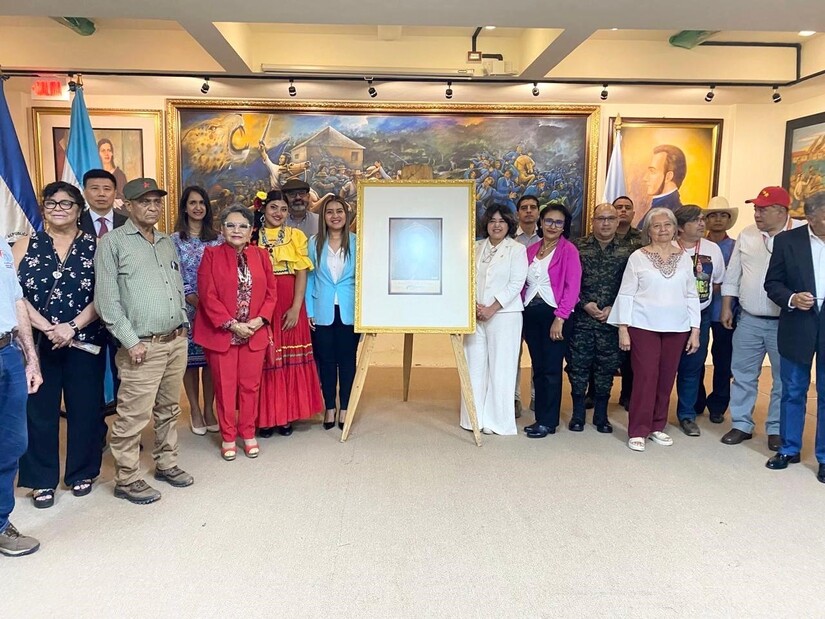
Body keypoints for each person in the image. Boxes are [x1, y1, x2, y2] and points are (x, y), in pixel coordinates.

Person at [94, 178, 194, 505]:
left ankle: (166, 463)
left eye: (156, 201)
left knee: (169, 409)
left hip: (175, 341)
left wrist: (183, 322)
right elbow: (106, 302)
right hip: (141, 346)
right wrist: (130, 341)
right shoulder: (112, 243)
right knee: (133, 415)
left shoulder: (165, 241)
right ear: (128, 205)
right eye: (144, 202)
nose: (152, 207)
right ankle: (126, 478)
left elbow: (175, 284)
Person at [12, 181, 106, 508]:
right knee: (38, 410)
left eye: (66, 203)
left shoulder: (97, 246)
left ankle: (82, 471)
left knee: (86, 407)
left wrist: (72, 326)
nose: (58, 209)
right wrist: (47, 327)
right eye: (51, 203)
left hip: (85, 340)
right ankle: (41, 479)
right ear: (43, 209)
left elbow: (105, 294)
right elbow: (14, 294)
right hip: (38, 341)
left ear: (79, 210)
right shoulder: (24, 244)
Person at [608, 208, 700, 452]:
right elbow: (626, 294)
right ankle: (638, 429)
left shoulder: (684, 258)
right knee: (646, 377)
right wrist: (623, 328)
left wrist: (695, 330)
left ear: (675, 228)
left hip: (677, 327)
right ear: (648, 231)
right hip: (643, 326)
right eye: (656, 225)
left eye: (667, 225)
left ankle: (657, 425)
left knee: (666, 377)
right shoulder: (638, 257)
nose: (662, 229)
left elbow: (691, 295)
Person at [720, 186, 803, 450]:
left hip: (786, 322)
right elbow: (733, 274)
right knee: (742, 374)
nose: (757, 214)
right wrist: (726, 306)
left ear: (781, 211)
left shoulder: (801, 235)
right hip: (749, 319)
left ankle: (776, 428)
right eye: (755, 209)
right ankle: (741, 424)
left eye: (763, 209)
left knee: (783, 378)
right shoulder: (747, 234)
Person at [194, 205, 276, 460]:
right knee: (225, 387)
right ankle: (228, 437)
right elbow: (207, 295)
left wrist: (260, 320)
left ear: (251, 230)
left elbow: (271, 292)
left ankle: (248, 433)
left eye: (242, 226)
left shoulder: (261, 255)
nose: (236, 230)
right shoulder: (211, 255)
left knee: (250, 386)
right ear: (222, 229)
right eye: (231, 225)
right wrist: (232, 324)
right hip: (223, 333)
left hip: (254, 332)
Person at [764, 190, 825, 484]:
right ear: (810, 216)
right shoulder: (787, 241)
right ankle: (788, 449)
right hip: (798, 325)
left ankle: (824, 457)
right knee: (793, 390)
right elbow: (772, 283)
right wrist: (791, 298)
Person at [256, 190, 323, 436]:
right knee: (265, 357)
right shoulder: (252, 236)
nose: (279, 213)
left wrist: (296, 307)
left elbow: (302, 273)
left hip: (289, 300)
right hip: (260, 301)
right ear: (263, 209)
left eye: (283, 209)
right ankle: (265, 417)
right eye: (273, 207)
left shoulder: (296, 236)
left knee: (287, 358)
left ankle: (286, 416)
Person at [567, 203, 633, 433]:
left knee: (606, 369)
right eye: (600, 218)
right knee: (578, 368)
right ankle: (577, 415)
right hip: (581, 320)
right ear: (593, 221)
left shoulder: (630, 251)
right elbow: (568, 281)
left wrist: (614, 307)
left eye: (610, 218)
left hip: (611, 321)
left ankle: (601, 416)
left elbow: (631, 286)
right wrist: (584, 303)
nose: (605, 223)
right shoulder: (577, 247)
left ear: (617, 221)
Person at [461, 204, 527, 435]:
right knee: (474, 366)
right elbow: (466, 278)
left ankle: (497, 421)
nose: (496, 225)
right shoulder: (475, 247)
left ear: (509, 224)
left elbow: (516, 283)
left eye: (501, 221)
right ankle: (473, 418)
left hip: (505, 315)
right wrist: (474, 306)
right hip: (475, 315)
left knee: (501, 368)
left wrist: (492, 308)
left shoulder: (516, 250)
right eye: (492, 221)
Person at [521, 203, 581, 438]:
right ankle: (541, 418)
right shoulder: (531, 250)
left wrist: (561, 318)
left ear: (564, 226)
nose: (553, 226)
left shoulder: (569, 251)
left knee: (551, 369)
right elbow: (522, 283)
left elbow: (572, 287)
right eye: (549, 221)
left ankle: (549, 422)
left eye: (558, 222)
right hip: (531, 314)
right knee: (538, 368)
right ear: (541, 222)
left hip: (555, 315)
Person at [0, 235, 43, 557]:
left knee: (12, 444)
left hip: (8, 352)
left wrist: (31, 358)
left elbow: (16, 300)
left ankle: (1, 524)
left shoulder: (2, 243)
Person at [171, 186, 223, 435]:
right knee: (190, 362)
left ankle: (209, 409)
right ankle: (194, 409)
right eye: (192, 203)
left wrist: (212, 304)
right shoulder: (173, 240)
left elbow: (223, 273)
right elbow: (175, 273)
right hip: (187, 309)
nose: (198, 207)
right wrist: (194, 299)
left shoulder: (218, 239)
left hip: (214, 309)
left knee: (211, 361)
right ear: (184, 207)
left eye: (202, 203)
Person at [306, 197, 360, 430]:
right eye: (330, 212)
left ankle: (345, 406)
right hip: (321, 309)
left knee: (347, 360)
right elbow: (308, 278)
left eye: (340, 211)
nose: (335, 216)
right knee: (326, 360)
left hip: (349, 310)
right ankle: (329, 406)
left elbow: (363, 279)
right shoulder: (313, 243)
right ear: (323, 216)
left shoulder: (357, 243)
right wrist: (308, 310)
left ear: (346, 215)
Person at [673, 206, 726, 437]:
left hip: (700, 317)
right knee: (665, 367)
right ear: (680, 227)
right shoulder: (668, 247)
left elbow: (717, 283)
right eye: (695, 220)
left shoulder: (712, 249)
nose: (702, 224)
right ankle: (655, 414)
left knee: (692, 367)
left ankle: (687, 415)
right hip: (669, 317)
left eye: (702, 219)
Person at [80, 169, 127, 425]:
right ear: (85, 192)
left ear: (115, 192)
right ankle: (95, 434)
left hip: (122, 310)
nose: (101, 194)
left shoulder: (128, 223)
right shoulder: (74, 223)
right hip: (85, 312)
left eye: (107, 189)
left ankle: (125, 433)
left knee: (126, 375)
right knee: (89, 377)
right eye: (94, 188)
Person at [695, 196, 738, 422]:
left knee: (723, 359)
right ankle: (696, 400)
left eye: (723, 215)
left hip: (725, 311)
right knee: (696, 356)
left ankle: (718, 404)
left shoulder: (736, 247)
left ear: (729, 219)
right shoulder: (698, 245)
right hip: (699, 310)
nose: (718, 219)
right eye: (713, 215)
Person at [611, 195, 643, 410]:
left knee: (631, 354)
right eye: (618, 207)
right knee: (602, 353)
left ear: (633, 213)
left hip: (634, 304)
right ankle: (594, 393)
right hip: (604, 303)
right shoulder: (602, 236)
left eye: (627, 207)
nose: (623, 210)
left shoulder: (642, 240)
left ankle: (628, 394)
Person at [513, 195, 540, 417]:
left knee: (538, 354)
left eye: (533, 207)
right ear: (518, 213)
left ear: (538, 212)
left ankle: (536, 396)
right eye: (524, 208)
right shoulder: (510, 240)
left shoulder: (547, 238)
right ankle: (513, 397)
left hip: (537, 305)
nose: (529, 211)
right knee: (513, 353)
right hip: (513, 305)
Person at [97, 138, 128, 202]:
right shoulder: (95, 175)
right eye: (103, 151)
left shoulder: (120, 175)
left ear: (112, 153)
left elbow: (124, 196)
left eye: (109, 150)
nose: (106, 153)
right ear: (98, 154)